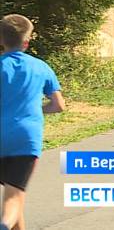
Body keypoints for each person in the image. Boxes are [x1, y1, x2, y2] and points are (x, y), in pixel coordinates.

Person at [1, 15, 66, 230]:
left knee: (15, 194)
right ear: (27, 42)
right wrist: (35, 110)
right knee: (14, 197)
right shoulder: (40, 67)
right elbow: (58, 105)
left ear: (1, 40)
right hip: (25, 140)